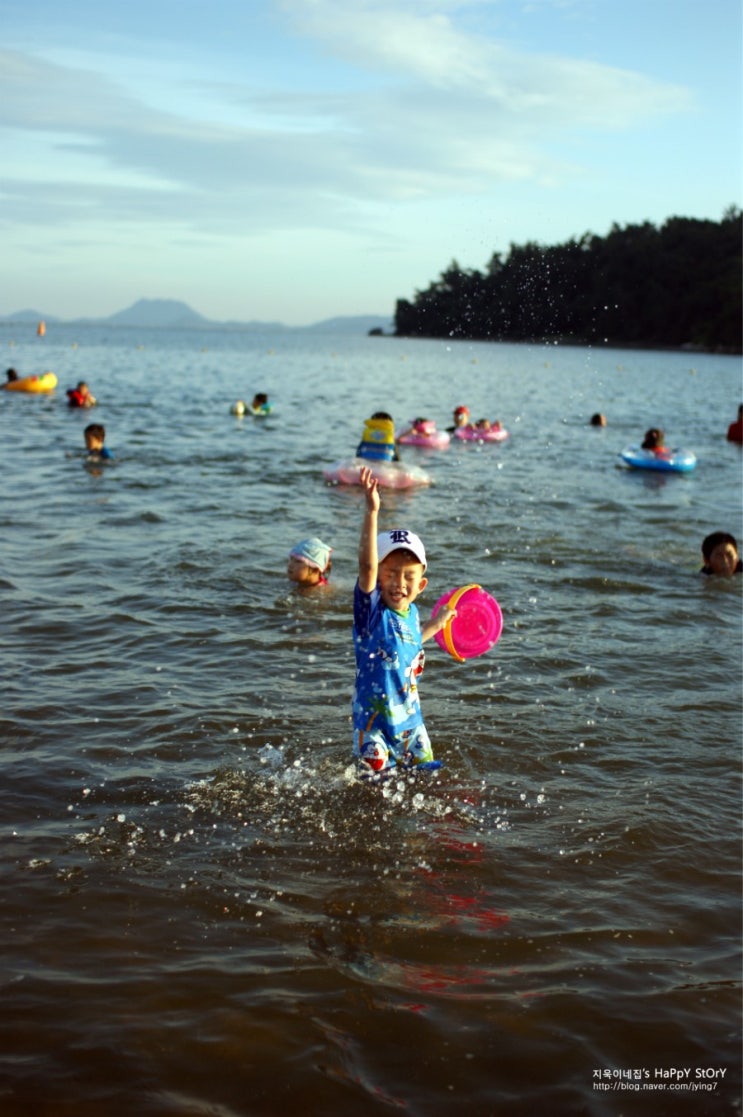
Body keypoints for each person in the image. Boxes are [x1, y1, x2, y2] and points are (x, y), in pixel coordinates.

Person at [352, 465, 455, 776]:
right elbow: (367, 566)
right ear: (378, 580)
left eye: (409, 576)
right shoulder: (370, 613)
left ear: (421, 585)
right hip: (374, 727)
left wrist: (436, 625)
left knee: (429, 779)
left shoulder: (410, 613)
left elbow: (408, 640)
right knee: (372, 791)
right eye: (391, 573)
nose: (399, 582)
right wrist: (372, 511)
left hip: (411, 724)